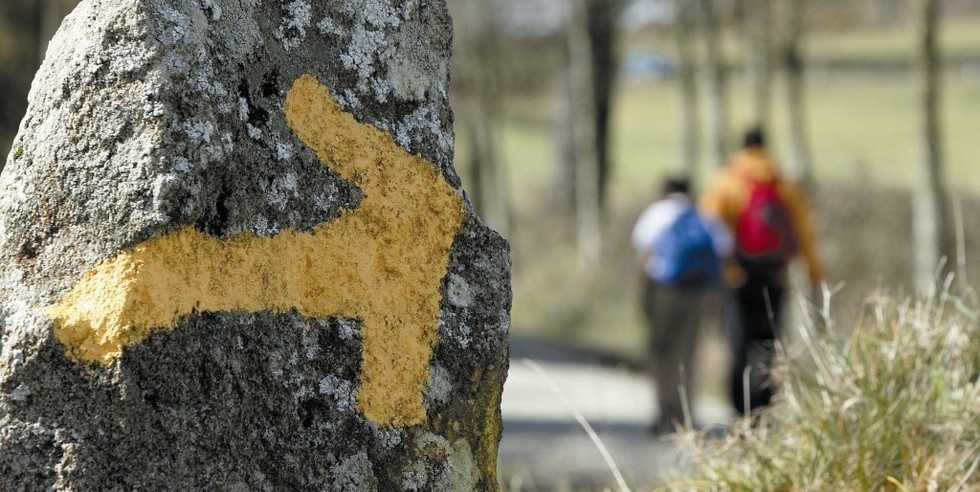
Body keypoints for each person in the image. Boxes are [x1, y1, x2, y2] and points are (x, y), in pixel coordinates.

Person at [700, 127, 822, 416]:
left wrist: (713, 273)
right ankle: (765, 410)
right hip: (775, 278)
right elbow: (805, 234)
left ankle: (739, 411)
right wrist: (815, 276)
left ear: (741, 148)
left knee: (738, 347)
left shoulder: (726, 182)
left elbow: (707, 229)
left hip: (737, 279)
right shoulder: (784, 185)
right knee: (770, 347)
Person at [632, 177, 732, 435]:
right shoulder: (705, 216)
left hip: (664, 292)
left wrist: (643, 302)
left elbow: (643, 259)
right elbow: (724, 253)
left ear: (665, 191)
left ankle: (664, 413)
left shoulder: (656, 214)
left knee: (659, 352)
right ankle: (684, 415)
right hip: (697, 294)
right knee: (686, 353)